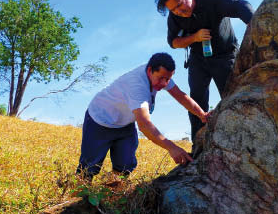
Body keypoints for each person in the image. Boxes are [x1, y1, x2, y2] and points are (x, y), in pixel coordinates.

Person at [76, 52, 208, 181]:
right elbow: (144, 125)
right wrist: (172, 148)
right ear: (150, 70)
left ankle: (111, 196)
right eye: (161, 78)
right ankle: (78, 197)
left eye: (167, 79)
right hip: (100, 120)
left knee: (125, 166)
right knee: (88, 168)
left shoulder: (161, 73)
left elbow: (180, 95)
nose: (164, 83)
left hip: (125, 123)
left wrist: (202, 114)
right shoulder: (137, 85)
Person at [156, 0, 254, 142]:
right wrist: (194, 37)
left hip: (225, 56)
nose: (178, 12)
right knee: (197, 103)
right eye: (172, 10)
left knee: (232, 98)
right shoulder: (175, 16)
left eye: (180, 5)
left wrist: (256, 27)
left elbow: (242, 6)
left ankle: (240, 141)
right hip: (198, 60)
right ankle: (198, 147)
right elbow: (173, 42)